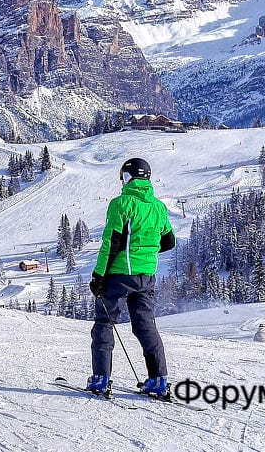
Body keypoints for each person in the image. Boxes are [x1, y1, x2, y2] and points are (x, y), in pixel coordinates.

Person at [87, 157, 175, 399]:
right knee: (145, 324)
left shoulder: (121, 204)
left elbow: (111, 242)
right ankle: (158, 379)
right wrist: (144, 252)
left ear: (127, 177)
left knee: (105, 323)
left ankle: (101, 379)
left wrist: (99, 275)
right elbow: (169, 241)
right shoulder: (158, 207)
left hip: (118, 275)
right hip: (146, 277)